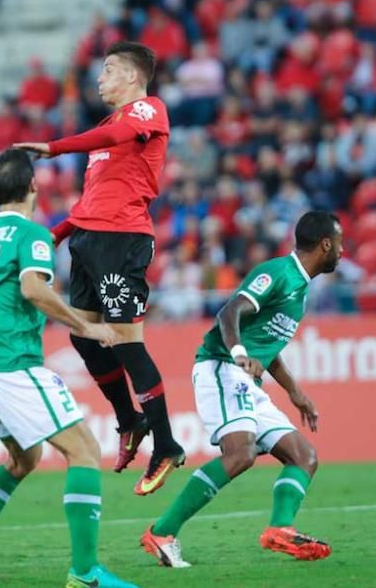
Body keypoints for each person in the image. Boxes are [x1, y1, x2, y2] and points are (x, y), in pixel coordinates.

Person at [0, 149, 137, 588]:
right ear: (33, 186)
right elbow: (33, 288)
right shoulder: (32, 235)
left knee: (23, 459)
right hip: (11, 362)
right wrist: (86, 325)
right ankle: (85, 572)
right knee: (83, 451)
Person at [14, 41, 186, 496]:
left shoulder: (149, 111)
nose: (100, 78)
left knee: (127, 342)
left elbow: (110, 140)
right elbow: (90, 202)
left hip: (122, 239)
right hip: (89, 239)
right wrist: (50, 235)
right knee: (83, 334)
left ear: (132, 77)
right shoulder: (110, 126)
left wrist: (54, 148)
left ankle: (166, 444)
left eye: (108, 70)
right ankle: (129, 420)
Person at [140, 211, 344, 568]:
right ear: (325, 244)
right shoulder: (279, 273)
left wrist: (295, 392)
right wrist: (238, 355)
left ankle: (280, 529)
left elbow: (268, 345)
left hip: (246, 379)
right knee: (241, 454)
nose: (343, 251)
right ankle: (162, 532)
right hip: (220, 367)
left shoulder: (300, 288)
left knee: (304, 457)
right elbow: (229, 311)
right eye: (340, 243)